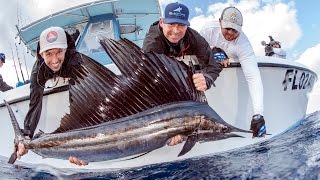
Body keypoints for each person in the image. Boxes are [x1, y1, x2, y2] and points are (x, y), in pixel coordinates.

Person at [143, 2, 223, 145]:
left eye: (181, 25)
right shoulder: (152, 43)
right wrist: (173, 126)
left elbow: (213, 64)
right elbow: (151, 82)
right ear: (161, 22)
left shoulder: (194, 38)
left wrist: (207, 78)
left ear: (187, 26)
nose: (175, 30)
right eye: (171, 24)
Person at [16, 26, 88, 166]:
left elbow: (83, 100)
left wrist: (84, 146)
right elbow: (34, 104)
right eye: (48, 54)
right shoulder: (38, 71)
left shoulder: (76, 61)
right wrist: (26, 136)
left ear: (66, 50)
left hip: (70, 69)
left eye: (59, 52)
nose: (54, 60)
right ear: (41, 54)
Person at [200, 7, 267, 138]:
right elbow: (194, 48)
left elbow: (253, 77)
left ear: (241, 28)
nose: (230, 33)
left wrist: (258, 114)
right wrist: (211, 50)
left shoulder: (244, 45)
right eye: (227, 28)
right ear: (220, 22)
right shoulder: (208, 30)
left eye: (235, 29)